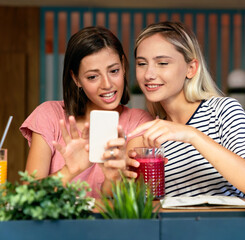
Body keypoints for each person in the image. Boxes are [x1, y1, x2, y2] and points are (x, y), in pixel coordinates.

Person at [127, 21, 245, 197]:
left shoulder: (223, 111)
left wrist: (191, 135)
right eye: (142, 64)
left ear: (191, 68)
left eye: (162, 63)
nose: (148, 74)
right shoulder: (148, 136)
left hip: (228, 224)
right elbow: (146, 206)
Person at [20, 26, 153, 198]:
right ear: (76, 79)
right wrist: (70, 170)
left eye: (114, 71)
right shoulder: (49, 115)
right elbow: (27, 197)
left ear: (123, 66)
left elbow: (132, 203)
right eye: (92, 76)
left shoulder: (139, 121)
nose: (107, 84)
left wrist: (112, 178)